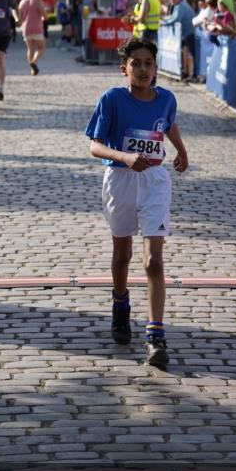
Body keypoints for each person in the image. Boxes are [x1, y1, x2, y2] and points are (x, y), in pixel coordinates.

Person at [85, 37, 188, 370]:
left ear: (156, 68)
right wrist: (125, 157)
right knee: (122, 254)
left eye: (148, 63)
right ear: (124, 68)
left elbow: (168, 123)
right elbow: (95, 147)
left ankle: (155, 336)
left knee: (153, 261)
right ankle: (120, 304)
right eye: (136, 64)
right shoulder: (112, 99)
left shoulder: (167, 98)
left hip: (155, 182)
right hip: (120, 179)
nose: (143, 69)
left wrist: (181, 150)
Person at [163, 0, 196, 80]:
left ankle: (194, 74)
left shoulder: (181, 6)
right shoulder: (178, 6)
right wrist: (165, 20)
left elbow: (176, 19)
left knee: (192, 54)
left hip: (189, 32)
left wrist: (164, 23)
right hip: (184, 33)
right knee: (184, 53)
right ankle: (186, 72)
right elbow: (173, 17)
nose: (171, 1)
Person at [16, 0, 47, 75]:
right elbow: (44, 15)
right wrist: (43, 18)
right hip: (37, 27)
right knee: (41, 48)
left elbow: (19, 18)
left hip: (26, 28)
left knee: (30, 49)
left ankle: (32, 70)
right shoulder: (37, 0)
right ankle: (34, 62)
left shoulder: (22, 2)